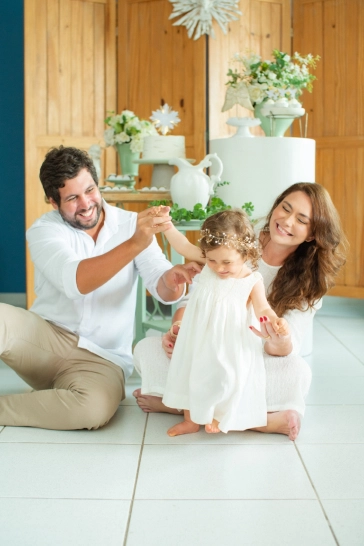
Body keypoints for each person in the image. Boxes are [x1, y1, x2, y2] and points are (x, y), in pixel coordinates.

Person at [0, 146, 200, 430]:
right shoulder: (44, 230)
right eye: (72, 198)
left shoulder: (131, 224)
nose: (86, 204)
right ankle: (52, 398)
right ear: (53, 202)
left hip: (104, 358)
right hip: (45, 340)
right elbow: (76, 281)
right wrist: (133, 244)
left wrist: (173, 279)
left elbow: (162, 287)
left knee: (92, 411)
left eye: (90, 190)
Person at [133, 183, 347, 440]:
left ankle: (179, 404)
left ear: (312, 233)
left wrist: (278, 336)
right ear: (276, 205)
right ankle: (248, 417)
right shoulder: (235, 238)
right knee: (147, 350)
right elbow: (196, 295)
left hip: (247, 354)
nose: (287, 221)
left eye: (301, 220)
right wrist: (177, 330)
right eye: (285, 208)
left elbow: (284, 337)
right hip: (202, 341)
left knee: (297, 373)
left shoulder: (308, 280)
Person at [160, 209, 289, 436]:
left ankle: (220, 415)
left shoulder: (250, 280)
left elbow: (263, 307)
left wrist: (274, 320)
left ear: (246, 254)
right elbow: (182, 246)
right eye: (211, 260)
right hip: (198, 335)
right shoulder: (212, 258)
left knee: (225, 377)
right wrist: (167, 225)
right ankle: (190, 420)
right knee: (191, 373)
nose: (219, 268)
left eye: (227, 262)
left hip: (229, 341)